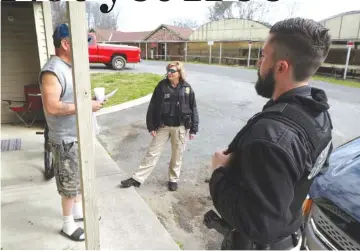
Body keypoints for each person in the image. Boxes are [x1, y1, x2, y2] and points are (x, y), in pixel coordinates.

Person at [209, 18, 333, 250]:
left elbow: (260, 226)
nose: (258, 62)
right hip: (292, 235)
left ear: (281, 67)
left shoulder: (270, 136)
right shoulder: (319, 114)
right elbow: (316, 169)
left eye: (264, 56)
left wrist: (218, 173)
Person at [39, 23, 103, 242]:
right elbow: (52, 107)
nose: (84, 47)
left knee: (77, 179)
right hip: (65, 140)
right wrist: (86, 105)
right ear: (66, 43)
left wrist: (90, 102)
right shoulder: (52, 70)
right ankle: (67, 223)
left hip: (77, 135)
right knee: (68, 184)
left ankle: (77, 212)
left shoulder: (69, 66)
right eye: (80, 42)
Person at [121, 61, 199, 191]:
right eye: (168, 70)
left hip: (180, 128)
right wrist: (151, 126)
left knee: (177, 155)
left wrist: (194, 129)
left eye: (172, 71)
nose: (169, 73)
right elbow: (152, 106)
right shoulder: (161, 86)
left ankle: (173, 179)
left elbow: (193, 108)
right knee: (152, 153)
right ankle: (137, 178)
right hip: (163, 127)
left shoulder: (187, 88)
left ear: (179, 73)